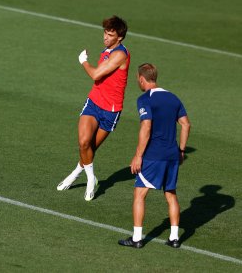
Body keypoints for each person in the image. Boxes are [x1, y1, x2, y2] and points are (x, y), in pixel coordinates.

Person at [57, 15, 130, 201]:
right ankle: (91, 179)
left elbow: (96, 74)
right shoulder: (108, 49)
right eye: (105, 32)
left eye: (110, 34)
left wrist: (83, 61)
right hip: (94, 102)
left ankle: (75, 173)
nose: (105, 37)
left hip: (111, 110)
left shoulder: (120, 54)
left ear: (119, 37)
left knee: (91, 148)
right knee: (83, 143)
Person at [118, 63, 191, 248]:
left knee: (139, 194)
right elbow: (186, 124)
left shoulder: (145, 99)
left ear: (142, 79)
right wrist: (181, 150)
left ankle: (136, 238)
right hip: (172, 155)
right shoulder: (174, 98)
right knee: (171, 194)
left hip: (154, 155)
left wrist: (138, 155)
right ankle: (174, 238)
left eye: (138, 79)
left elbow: (146, 126)